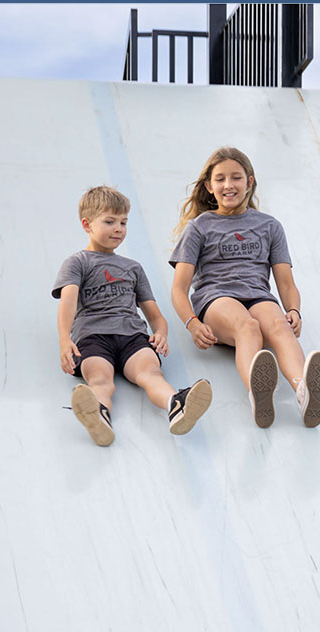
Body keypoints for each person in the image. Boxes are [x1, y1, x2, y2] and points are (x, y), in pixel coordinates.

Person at [169, 147, 320, 429]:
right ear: (209, 186)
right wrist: (192, 323)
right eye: (220, 179)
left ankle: (303, 392)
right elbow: (179, 288)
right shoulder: (199, 227)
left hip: (258, 296)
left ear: (250, 182)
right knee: (248, 327)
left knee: (279, 325)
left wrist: (294, 310)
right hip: (217, 298)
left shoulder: (269, 226)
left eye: (236, 178)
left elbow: (285, 281)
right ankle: (259, 395)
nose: (228, 185)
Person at [53, 186, 212, 446]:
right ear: (87, 224)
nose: (118, 228)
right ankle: (99, 414)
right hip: (93, 337)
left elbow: (154, 315)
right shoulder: (77, 262)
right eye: (109, 221)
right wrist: (63, 339)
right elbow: (68, 302)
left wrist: (160, 333)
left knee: (150, 373)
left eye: (123, 222)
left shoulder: (133, 268)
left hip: (133, 337)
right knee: (100, 377)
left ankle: (177, 405)